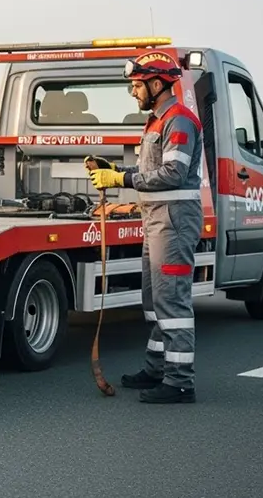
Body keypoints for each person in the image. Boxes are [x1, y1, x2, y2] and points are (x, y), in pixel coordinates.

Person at [86, 49, 204, 403]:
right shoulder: (155, 121)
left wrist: (120, 176)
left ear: (157, 83)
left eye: (137, 85)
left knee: (172, 303)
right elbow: (153, 169)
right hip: (157, 221)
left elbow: (173, 173)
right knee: (153, 302)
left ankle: (180, 381)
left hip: (174, 222)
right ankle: (156, 368)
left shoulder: (178, 120)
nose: (133, 92)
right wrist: (113, 170)